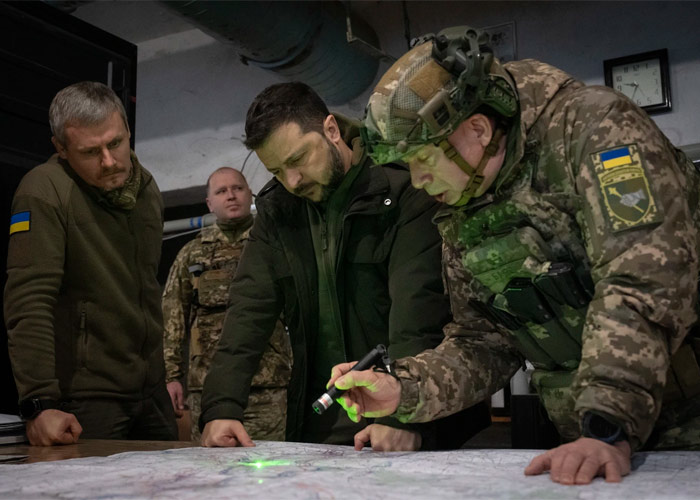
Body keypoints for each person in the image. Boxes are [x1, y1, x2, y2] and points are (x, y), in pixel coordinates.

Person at [327, 26, 700, 484]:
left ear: (478, 130)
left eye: (423, 161)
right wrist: (403, 389)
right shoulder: (466, 199)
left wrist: (606, 422)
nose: (418, 183)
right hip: (592, 441)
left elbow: (643, 278)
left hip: (656, 426)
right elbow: (483, 341)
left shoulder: (595, 130)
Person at [200, 82, 490, 450]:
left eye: (297, 159)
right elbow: (248, 309)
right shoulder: (278, 211)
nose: (291, 181)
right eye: (276, 171)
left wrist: (400, 413)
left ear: (332, 130)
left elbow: (418, 310)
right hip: (323, 421)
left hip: (418, 418)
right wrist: (221, 407)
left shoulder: (402, 187)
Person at [5, 81, 177, 445]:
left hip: (152, 395)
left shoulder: (147, 189)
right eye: (90, 151)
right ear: (61, 149)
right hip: (86, 401)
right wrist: (38, 403)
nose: (109, 161)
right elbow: (28, 299)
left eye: (115, 143)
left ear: (128, 132)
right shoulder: (43, 190)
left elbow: (147, 289)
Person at [162, 166, 292, 441]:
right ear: (209, 203)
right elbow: (173, 317)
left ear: (250, 194)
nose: (231, 196)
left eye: (237, 188)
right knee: (213, 472)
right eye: (221, 191)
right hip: (208, 386)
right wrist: (172, 375)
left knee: (274, 468)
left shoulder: (276, 244)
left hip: (268, 384)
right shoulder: (192, 254)